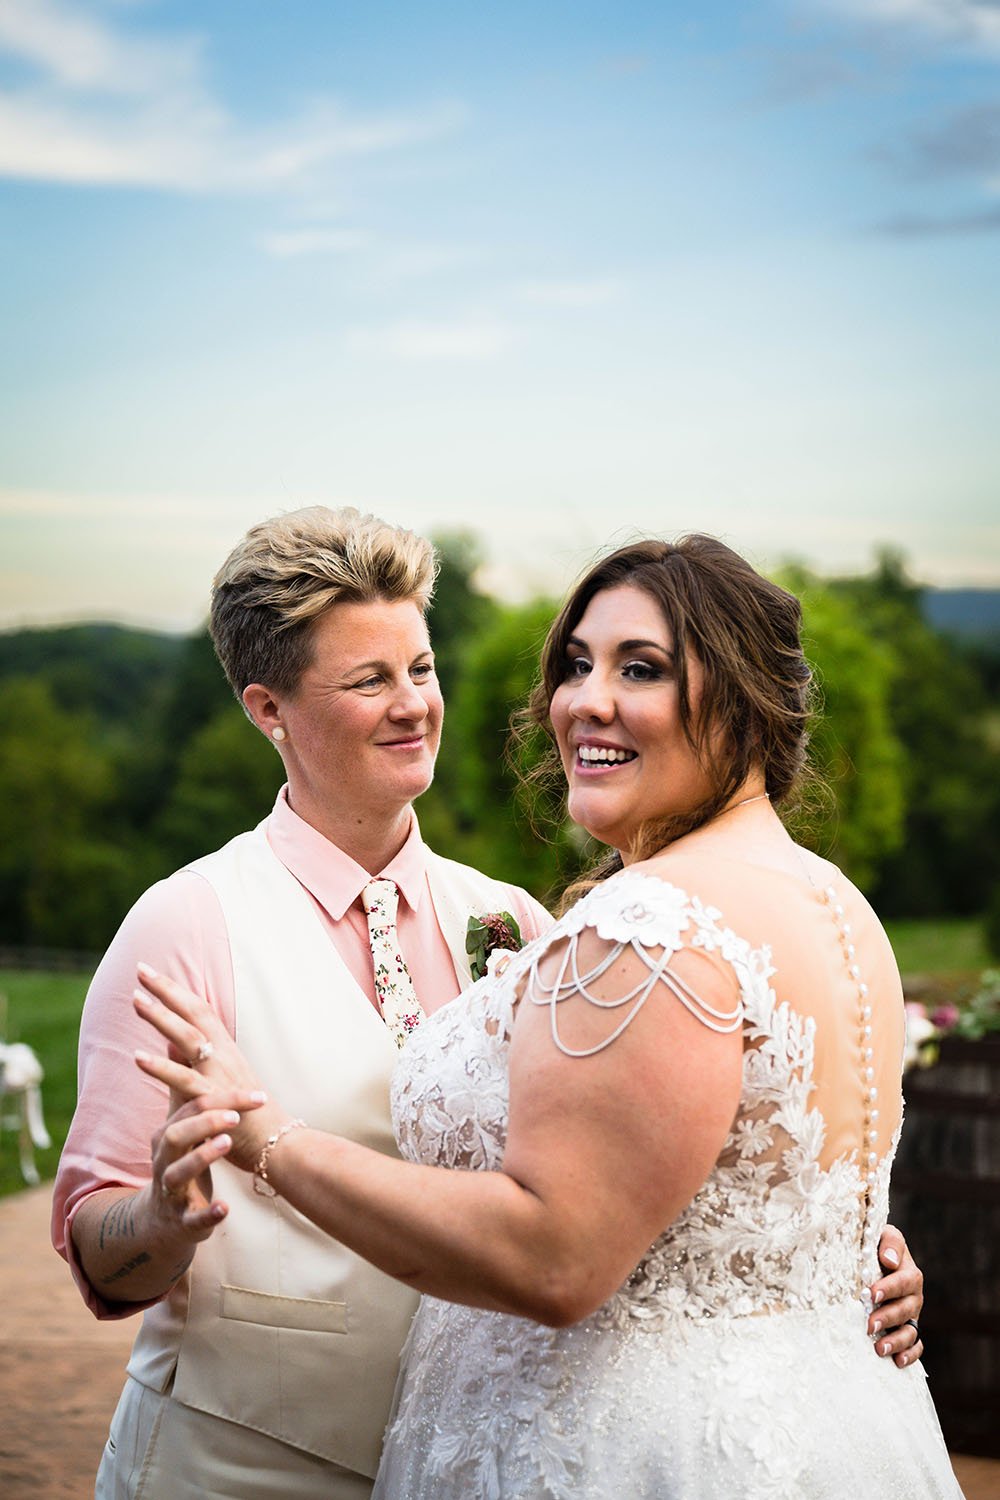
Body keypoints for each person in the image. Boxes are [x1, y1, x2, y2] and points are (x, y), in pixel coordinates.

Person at [133, 534, 956, 1499]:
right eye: (576, 665)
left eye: (640, 669)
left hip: (620, 1448)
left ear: (742, 699)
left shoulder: (648, 926)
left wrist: (267, 1137)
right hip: (827, 1426)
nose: (583, 702)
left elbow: (556, 1256)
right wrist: (838, 1261)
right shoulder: (837, 905)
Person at [53, 506, 552, 1499]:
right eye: (368, 679)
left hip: (465, 1463)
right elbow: (96, 1243)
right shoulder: (185, 924)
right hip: (229, 1467)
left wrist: (840, 1259)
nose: (413, 703)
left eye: (420, 667)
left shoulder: (513, 924)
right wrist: (158, 1217)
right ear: (267, 710)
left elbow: (598, 1181)